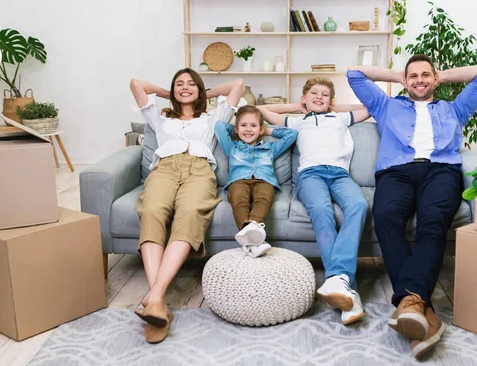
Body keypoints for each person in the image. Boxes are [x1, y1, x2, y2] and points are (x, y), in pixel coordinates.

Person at [347, 54, 477, 358]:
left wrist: (440, 74)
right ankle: (420, 307)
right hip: (396, 172)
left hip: (441, 171)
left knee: (433, 220)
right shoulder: (386, 106)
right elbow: (354, 74)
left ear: (435, 79)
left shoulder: (454, 109)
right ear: (405, 80)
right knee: (385, 216)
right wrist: (398, 76)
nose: (419, 81)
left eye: (425, 75)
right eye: (412, 76)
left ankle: (410, 303)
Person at [129, 69, 244, 343]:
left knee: (190, 213)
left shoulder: (213, 117)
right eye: (179, 84)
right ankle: (158, 302)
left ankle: (155, 297)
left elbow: (237, 85)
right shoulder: (160, 118)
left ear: (200, 89)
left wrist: (204, 94)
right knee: (152, 211)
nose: (185, 87)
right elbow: (136, 83)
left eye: (191, 84)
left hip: (199, 169)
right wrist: (169, 94)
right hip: (164, 169)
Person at [259, 76, 370, 325]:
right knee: (321, 210)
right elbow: (260, 111)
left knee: (359, 205)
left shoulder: (340, 118)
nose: (319, 97)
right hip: (310, 176)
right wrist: (296, 107)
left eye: (325, 95)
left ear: (331, 101)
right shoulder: (296, 122)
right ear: (304, 98)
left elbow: (371, 107)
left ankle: (337, 280)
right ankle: (347, 287)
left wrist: (336, 107)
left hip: (340, 174)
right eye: (313, 94)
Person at [214, 105, 297, 257]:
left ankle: (250, 235)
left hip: (263, 181)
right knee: (239, 199)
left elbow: (292, 134)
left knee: (264, 198)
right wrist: (236, 130)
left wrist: (267, 130)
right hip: (238, 181)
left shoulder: (270, 148)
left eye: (253, 126)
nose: (248, 129)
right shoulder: (232, 147)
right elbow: (219, 126)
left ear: (260, 129)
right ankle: (254, 239)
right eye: (243, 125)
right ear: (237, 129)